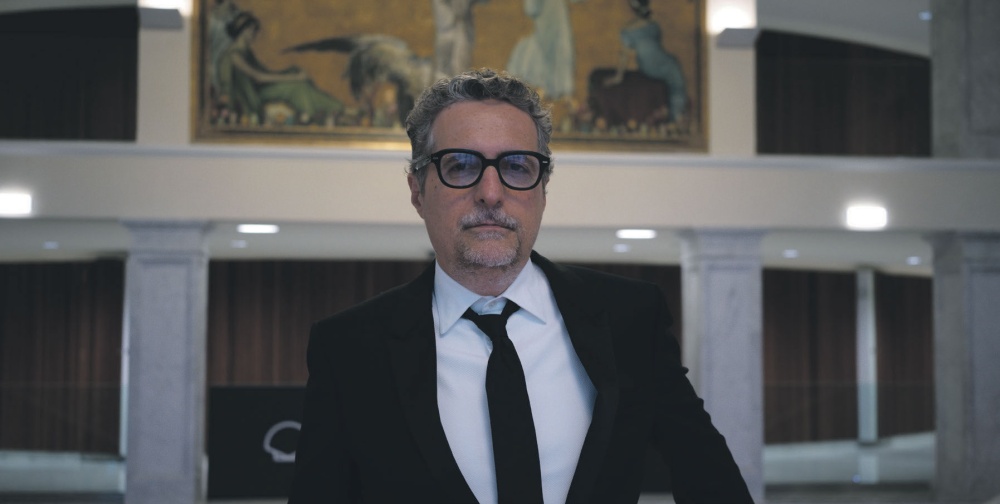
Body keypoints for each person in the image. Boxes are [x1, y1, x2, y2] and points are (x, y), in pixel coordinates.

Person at [289, 68, 751, 503]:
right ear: (417, 190)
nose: (491, 193)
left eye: (517, 166)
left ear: (542, 190)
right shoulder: (349, 348)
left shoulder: (629, 318)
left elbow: (712, 482)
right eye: (460, 165)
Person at [216, 12, 343, 125]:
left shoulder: (246, 51)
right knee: (296, 87)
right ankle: (313, 115)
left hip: (261, 88)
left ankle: (331, 108)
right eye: (253, 30)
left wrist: (292, 74)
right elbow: (258, 77)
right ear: (243, 31)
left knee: (295, 71)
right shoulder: (235, 55)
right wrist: (294, 77)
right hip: (254, 94)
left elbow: (264, 72)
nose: (255, 34)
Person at [604, 0, 688, 124]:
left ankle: (676, 116)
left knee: (674, 69)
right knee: (675, 75)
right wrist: (618, 77)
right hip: (652, 65)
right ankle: (676, 117)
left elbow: (654, 45)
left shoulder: (645, 25)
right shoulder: (632, 29)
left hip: (657, 61)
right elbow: (624, 55)